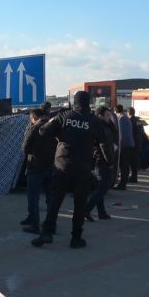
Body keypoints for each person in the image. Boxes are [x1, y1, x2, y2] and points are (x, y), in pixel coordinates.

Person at [31, 91, 105, 249]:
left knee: (55, 201)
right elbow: (104, 142)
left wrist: (59, 136)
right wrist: (109, 161)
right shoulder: (94, 121)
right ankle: (76, 238)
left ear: (74, 102)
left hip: (62, 165)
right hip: (83, 168)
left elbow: (43, 131)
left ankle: (47, 232)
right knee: (79, 205)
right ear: (88, 102)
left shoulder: (64, 116)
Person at [20, 108, 56, 233]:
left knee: (33, 197)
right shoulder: (54, 127)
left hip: (35, 167)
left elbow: (25, 148)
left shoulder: (34, 128)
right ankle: (51, 225)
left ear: (34, 118)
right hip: (51, 166)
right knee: (50, 198)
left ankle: (34, 224)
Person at [84, 107, 116, 221]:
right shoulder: (100, 127)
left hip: (99, 160)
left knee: (100, 187)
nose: (109, 117)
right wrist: (110, 162)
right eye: (107, 115)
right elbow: (104, 146)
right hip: (101, 161)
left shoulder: (103, 126)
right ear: (100, 115)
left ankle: (101, 212)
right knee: (103, 187)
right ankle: (86, 209)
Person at [114, 105, 135, 190]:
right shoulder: (126, 118)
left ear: (116, 112)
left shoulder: (121, 119)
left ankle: (122, 184)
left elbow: (121, 134)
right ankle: (123, 183)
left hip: (125, 146)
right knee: (125, 166)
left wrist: (118, 146)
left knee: (124, 166)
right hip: (130, 145)